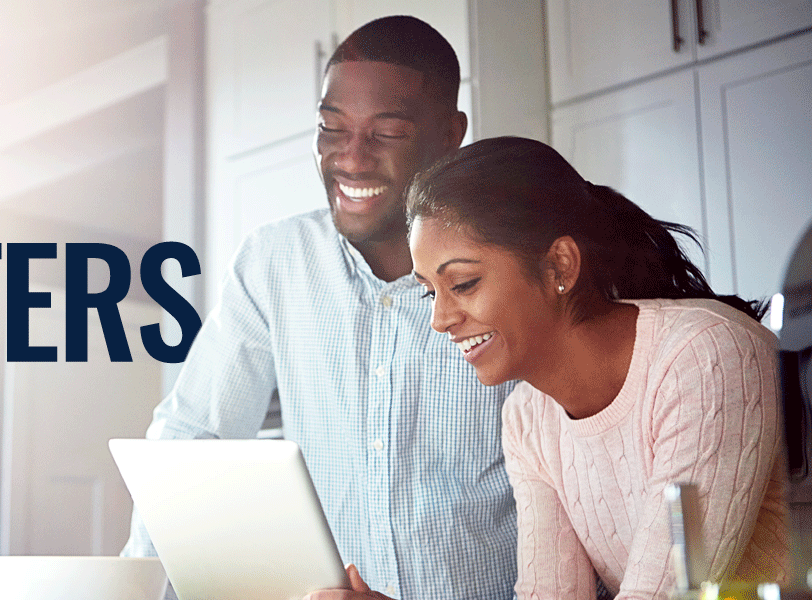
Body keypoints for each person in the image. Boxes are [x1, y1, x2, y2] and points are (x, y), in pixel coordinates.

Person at [121, 15, 520, 600]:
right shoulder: (273, 261)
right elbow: (194, 433)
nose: (352, 158)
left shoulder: (507, 265)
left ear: (451, 134)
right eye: (331, 127)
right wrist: (134, 585)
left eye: (388, 133)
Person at [403, 136, 790, 599]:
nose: (440, 319)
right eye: (429, 291)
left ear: (559, 266)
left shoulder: (704, 355)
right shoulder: (527, 417)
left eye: (463, 283)